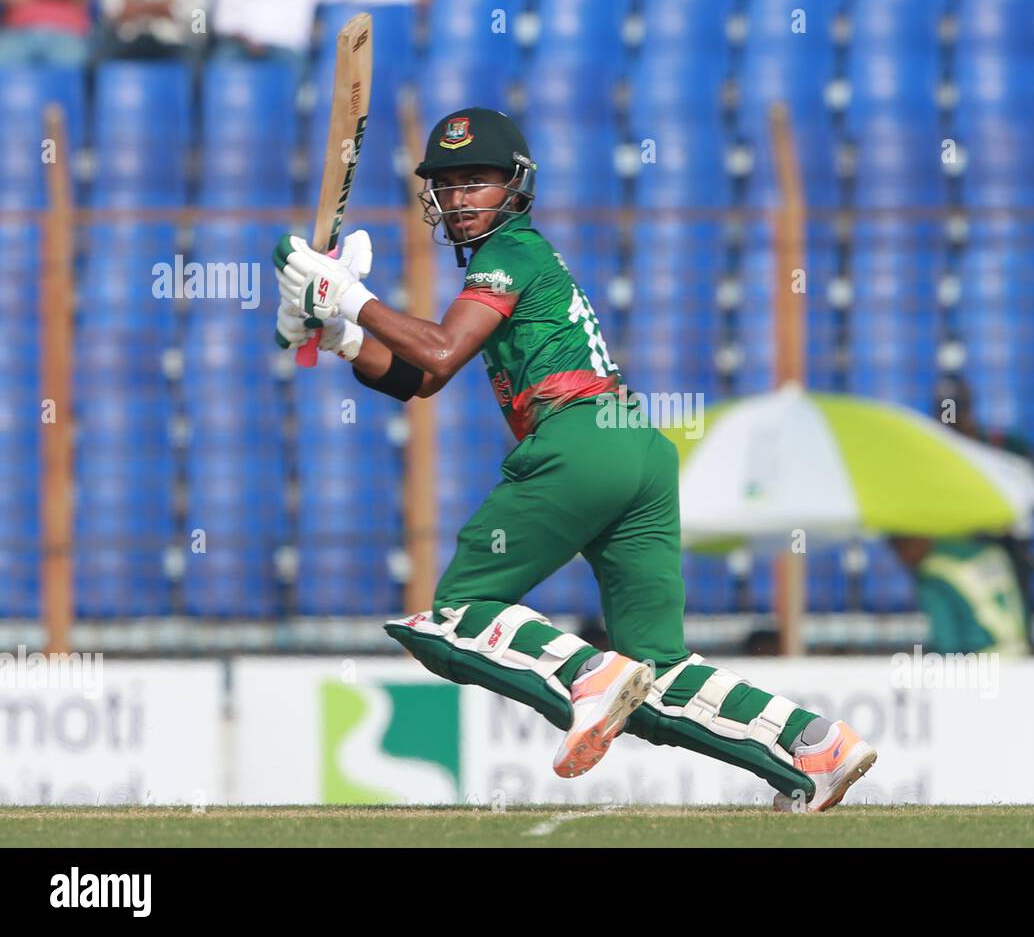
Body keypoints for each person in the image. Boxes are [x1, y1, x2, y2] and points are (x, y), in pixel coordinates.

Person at [273, 107, 877, 811]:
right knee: (656, 674)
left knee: (454, 615)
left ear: (516, 187)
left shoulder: (511, 253)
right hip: (635, 450)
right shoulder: (515, 260)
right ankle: (814, 748)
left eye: (478, 181)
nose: (462, 198)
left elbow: (436, 349)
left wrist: (349, 294)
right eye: (449, 185)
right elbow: (421, 378)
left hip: (581, 439)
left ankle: (587, 676)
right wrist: (342, 331)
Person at [891, 377, 1030, 656]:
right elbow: (905, 543)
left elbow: (1020, 521)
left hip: (987, 571)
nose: (952, 422)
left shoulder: (998, 448)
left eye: (958, 413)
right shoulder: (916, 458)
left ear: (970, 413)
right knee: (954, 655)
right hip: (946, 575)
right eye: (945, 414)